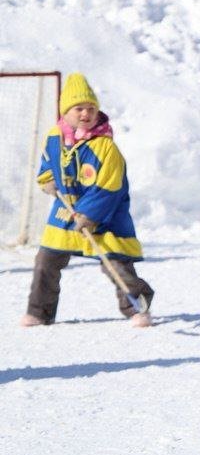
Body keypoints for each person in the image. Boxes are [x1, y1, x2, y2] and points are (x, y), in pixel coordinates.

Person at [20, 73, 154, 328]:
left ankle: (138, 305)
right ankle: (39, 312)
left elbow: (109, 187)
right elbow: (49, 163)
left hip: (104, 215)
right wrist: (47, 179)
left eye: (91, 108)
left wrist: (89, 215)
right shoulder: (54, 137)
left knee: (115, 264)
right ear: (65, 111)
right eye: (79, 108)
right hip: (66, 211)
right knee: (46, 260)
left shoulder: (105, 147)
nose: (85, 114)